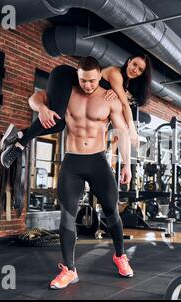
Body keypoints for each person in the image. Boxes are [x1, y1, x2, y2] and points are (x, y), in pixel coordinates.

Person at [41, 56, 133, 289]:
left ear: (100, 76)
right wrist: (42, 107)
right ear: (77, 76)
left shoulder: (109, 99)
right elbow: (36, 97)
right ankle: (70, 269)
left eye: (92, 80)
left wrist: (126, 165)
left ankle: (120, 256)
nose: (88, 85)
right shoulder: (66, 93)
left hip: (98, 162)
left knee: (112, 211)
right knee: (67, 216)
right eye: (83, 80)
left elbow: (121, 132)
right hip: (72, 161)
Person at [0, 55, 152, 169]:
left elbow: (123, 103)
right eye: (134, 64)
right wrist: (132, 130)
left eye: (140, 69)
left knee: (58, 126)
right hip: (63, 75)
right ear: (129, 61)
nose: (135, 70)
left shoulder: (123, 84)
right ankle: (20, 145)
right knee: (57, 115)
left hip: (69, 84)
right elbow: (125, 105)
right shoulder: (115, 73)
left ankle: (18, 135)